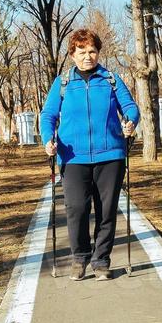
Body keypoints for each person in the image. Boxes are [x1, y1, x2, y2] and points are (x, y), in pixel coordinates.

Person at [40, 28, 139, 281]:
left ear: (98, 53)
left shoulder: (111, 80)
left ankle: (102, 261)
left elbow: (129, 107)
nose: (88, 56)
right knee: (76, 209)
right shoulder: (62, 83)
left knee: (106, 211)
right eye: (82, 52)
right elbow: (48, 115)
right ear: (72, 54)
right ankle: (80, 257)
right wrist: (48, 139)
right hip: (73, 158)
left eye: (92, 51)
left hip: (111, 155)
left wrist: (130, 122)